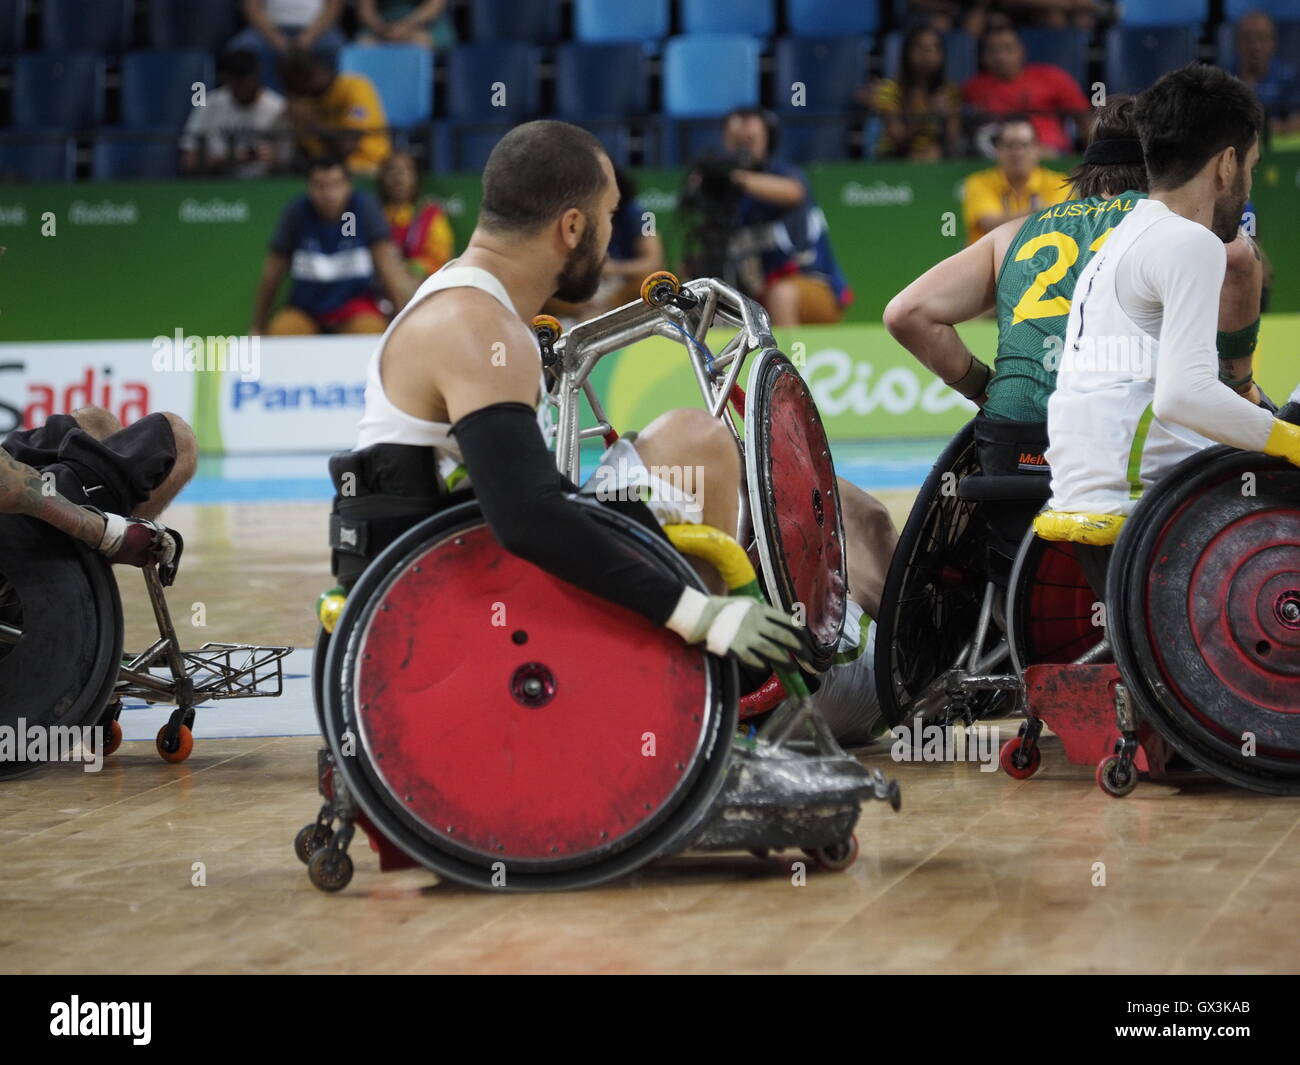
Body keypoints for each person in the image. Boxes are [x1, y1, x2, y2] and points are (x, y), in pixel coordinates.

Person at [329, 119, 897, 743]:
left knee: (759, 470)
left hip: (463, 567)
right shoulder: (476, 326)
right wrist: (695, 613)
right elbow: (529, 520)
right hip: (452, 614)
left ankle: (760, 682)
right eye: (607, 217)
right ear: (572, 227)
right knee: (695, 445)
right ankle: (703, 704)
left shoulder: (472, 307)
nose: (607, 239)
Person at [885, 95, 1266, 564]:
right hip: (1125, 447)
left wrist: (986, 390)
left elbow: (907, 314)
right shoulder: (1172, 228)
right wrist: (1240, 383)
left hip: (1015, 447)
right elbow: (1240, 263)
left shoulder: (1014, 233)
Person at [1034, 65, 1298, 597]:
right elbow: (1186, 396)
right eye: (1250, 167)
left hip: (1098, 506)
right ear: (1227, 164)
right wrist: (1290, 440)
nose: (1246, 188)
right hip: (1149, 519)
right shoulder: (1190, 242)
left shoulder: (1126, 233)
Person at [0, 406, 197, 570]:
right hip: (18, 511)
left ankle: (111, 541)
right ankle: (115, 544)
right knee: (177, 434)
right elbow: (13, 488)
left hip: (15, 474)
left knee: (97, 421)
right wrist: (108, 534)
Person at [708, 108, 851, 325]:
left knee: (781, 295)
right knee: (709, 302)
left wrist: (735, 178)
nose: (742, 147)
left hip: (813, 288)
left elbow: (794, 192)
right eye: (736, 140)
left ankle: (785, 360)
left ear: (768, 139)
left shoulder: (783, 174)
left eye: (750, 139)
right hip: (754, 297)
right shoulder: (723, 196)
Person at [251, 157, 414, 336]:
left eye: (336, 185)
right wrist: (258, 325)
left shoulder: (364, 208)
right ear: (308, 188)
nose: (329, 194)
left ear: (348, 186)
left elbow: (387, 267)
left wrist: (401, 319)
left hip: (355, 308)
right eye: (320, 185)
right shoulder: (296, 212)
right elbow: (273, 272)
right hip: (306, 310)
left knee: (370, 331)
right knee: (281, 331)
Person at [543, 166, 665, 321]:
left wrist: (613, 268)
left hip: (620, 287)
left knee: (651, 279)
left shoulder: (643, 215)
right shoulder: (569, 214)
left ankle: (608, 315)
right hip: (582, 289)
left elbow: (653, 262)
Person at [962, 24, 1090, 156]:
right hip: (996, 157)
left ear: (1021, 51)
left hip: (1050, 155)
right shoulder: (972, 88)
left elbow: (1084, 120)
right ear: (983, 57)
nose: (1001, 56)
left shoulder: (1052, 77)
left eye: (1008, 48)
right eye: (993, 50)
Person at [280, 50, 391, 177]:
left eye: (307, 76)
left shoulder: (354, 87)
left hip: (366, 166)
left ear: (321, 69)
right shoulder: (303, 102)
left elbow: (346, 146)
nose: (301, 85)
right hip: (323, 172)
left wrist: (311, 123)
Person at [180, 50, 287, 178]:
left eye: (247, 81)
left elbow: (289, 163)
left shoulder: (278, 107)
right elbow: (188, 161)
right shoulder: (209, 104)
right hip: (217, 182)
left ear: (257, 76)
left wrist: (276, 161)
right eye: (237, 82)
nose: (243, 88)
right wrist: (230, 158)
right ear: (228, 79)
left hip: (265, 184)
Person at [961, 116, 1069, 243]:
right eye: (1010, 145)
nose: (1017, 152)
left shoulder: (1060, 183)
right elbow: (988, 224)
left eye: (1025, 145)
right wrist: (1038, 213)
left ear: (1038, 149)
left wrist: (1008, 218)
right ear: (998, 150)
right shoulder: (978, 183)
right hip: (992, 261)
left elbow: (1055, 225)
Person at [864, 24, 962, 161]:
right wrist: (928, 112)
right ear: (907, 53)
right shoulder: (890, 89)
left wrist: (947, 117)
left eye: (934, 48)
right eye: (920, 48)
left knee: (934, 152)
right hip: (895, 158)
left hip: (936, 157)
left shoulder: (948, 91)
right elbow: (898, 139)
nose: (927, 55)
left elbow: (953, 140)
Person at [376, 151, 456, 279]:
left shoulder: (430, 214)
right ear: (382, 178)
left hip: (422, 285)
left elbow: (442, 258)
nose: (398, 176)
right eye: (392, 170)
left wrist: (415, 267)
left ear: (416, 178)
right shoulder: (374, 215)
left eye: (406, 170)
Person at [1232, 10, 1300, 136]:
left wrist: (1272, 129)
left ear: (1273, 43)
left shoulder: (1288, 77)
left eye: (1261, 38)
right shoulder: (1224, 79)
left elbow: (1297, 120)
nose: (1255, 46)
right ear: (1238, 43)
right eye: (1248, 39)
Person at [230, 0, 346, 58]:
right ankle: (270, 101)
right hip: (269, 29)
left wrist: (310, 36)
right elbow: (251, 7)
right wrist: (274, 37)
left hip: (317, 29)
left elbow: (333, 8)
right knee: (244, 48)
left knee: (335, 48)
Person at [356, 0, 455, 51]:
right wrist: (382, 29)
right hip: (383, 22)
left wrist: (407, 26)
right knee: (364, 44)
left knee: (420, 42)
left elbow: (435, 5)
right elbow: (366, 10)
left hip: (424, 22)